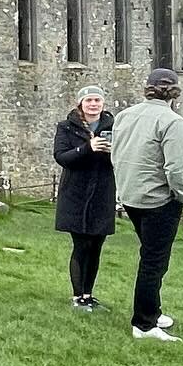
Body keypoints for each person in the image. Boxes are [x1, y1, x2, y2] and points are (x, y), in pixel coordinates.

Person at [109, 66, 183, 343]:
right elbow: (176, 168)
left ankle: (152, 310)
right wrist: (180, 195)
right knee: (154, 261)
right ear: (174, 92)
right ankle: (144, 324)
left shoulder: (124, 115)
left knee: (151, 256)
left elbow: (115, 155)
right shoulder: (172, 121)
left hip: (131, 196)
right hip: (159, 200)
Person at [53, 85, 115, 309]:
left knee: (96, 245)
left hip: (102, 192)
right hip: (75, 194)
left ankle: (89, 294)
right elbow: (62, 157)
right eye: (89, 100)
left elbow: (123, 157)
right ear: (81, 103)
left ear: (103, 103)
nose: (93, 104)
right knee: (81, 245)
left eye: (97, 100)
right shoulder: (66, 127)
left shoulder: (113, 126)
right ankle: (77, 296)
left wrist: (112, 152)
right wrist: (87, 148)